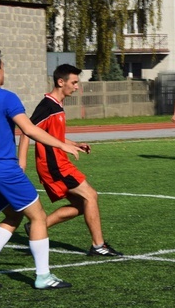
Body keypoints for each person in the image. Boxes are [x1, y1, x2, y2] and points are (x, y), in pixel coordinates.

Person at [0, 48, 82, 290]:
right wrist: (62, 144)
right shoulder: (7, 97)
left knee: (13, 215)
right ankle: (43, 277)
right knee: (38, 217)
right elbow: (29, 130)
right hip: (4, 169)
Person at [17, 64, 122, 257]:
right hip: (54, 166)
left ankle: (38, 226)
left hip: (59, 162)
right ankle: (98, 246)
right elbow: (27, 131)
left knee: (82, 205)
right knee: (91, 195)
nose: (76, 87)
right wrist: (21, 163)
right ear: (60, 82)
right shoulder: (47, 105)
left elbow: (50, 135)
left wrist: (74, 143)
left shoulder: (57, 105)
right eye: (74, 82)